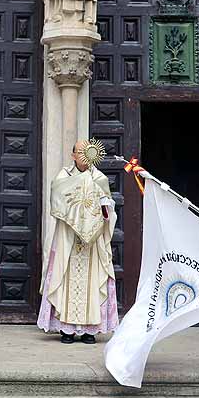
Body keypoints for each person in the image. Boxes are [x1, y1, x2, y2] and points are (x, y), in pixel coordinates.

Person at [38, 140, 118, 345]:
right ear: (73, 155)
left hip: (92, 243)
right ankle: (67, 330)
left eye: (86, 151)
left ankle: (90, 330)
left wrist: (105, 207)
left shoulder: (99, 178)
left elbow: (108, 208)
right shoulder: (63, 176)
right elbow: (56, 197)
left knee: (92, 282)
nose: (83, 155)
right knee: (65, 279)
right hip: (69, 239)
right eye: (79, 152)